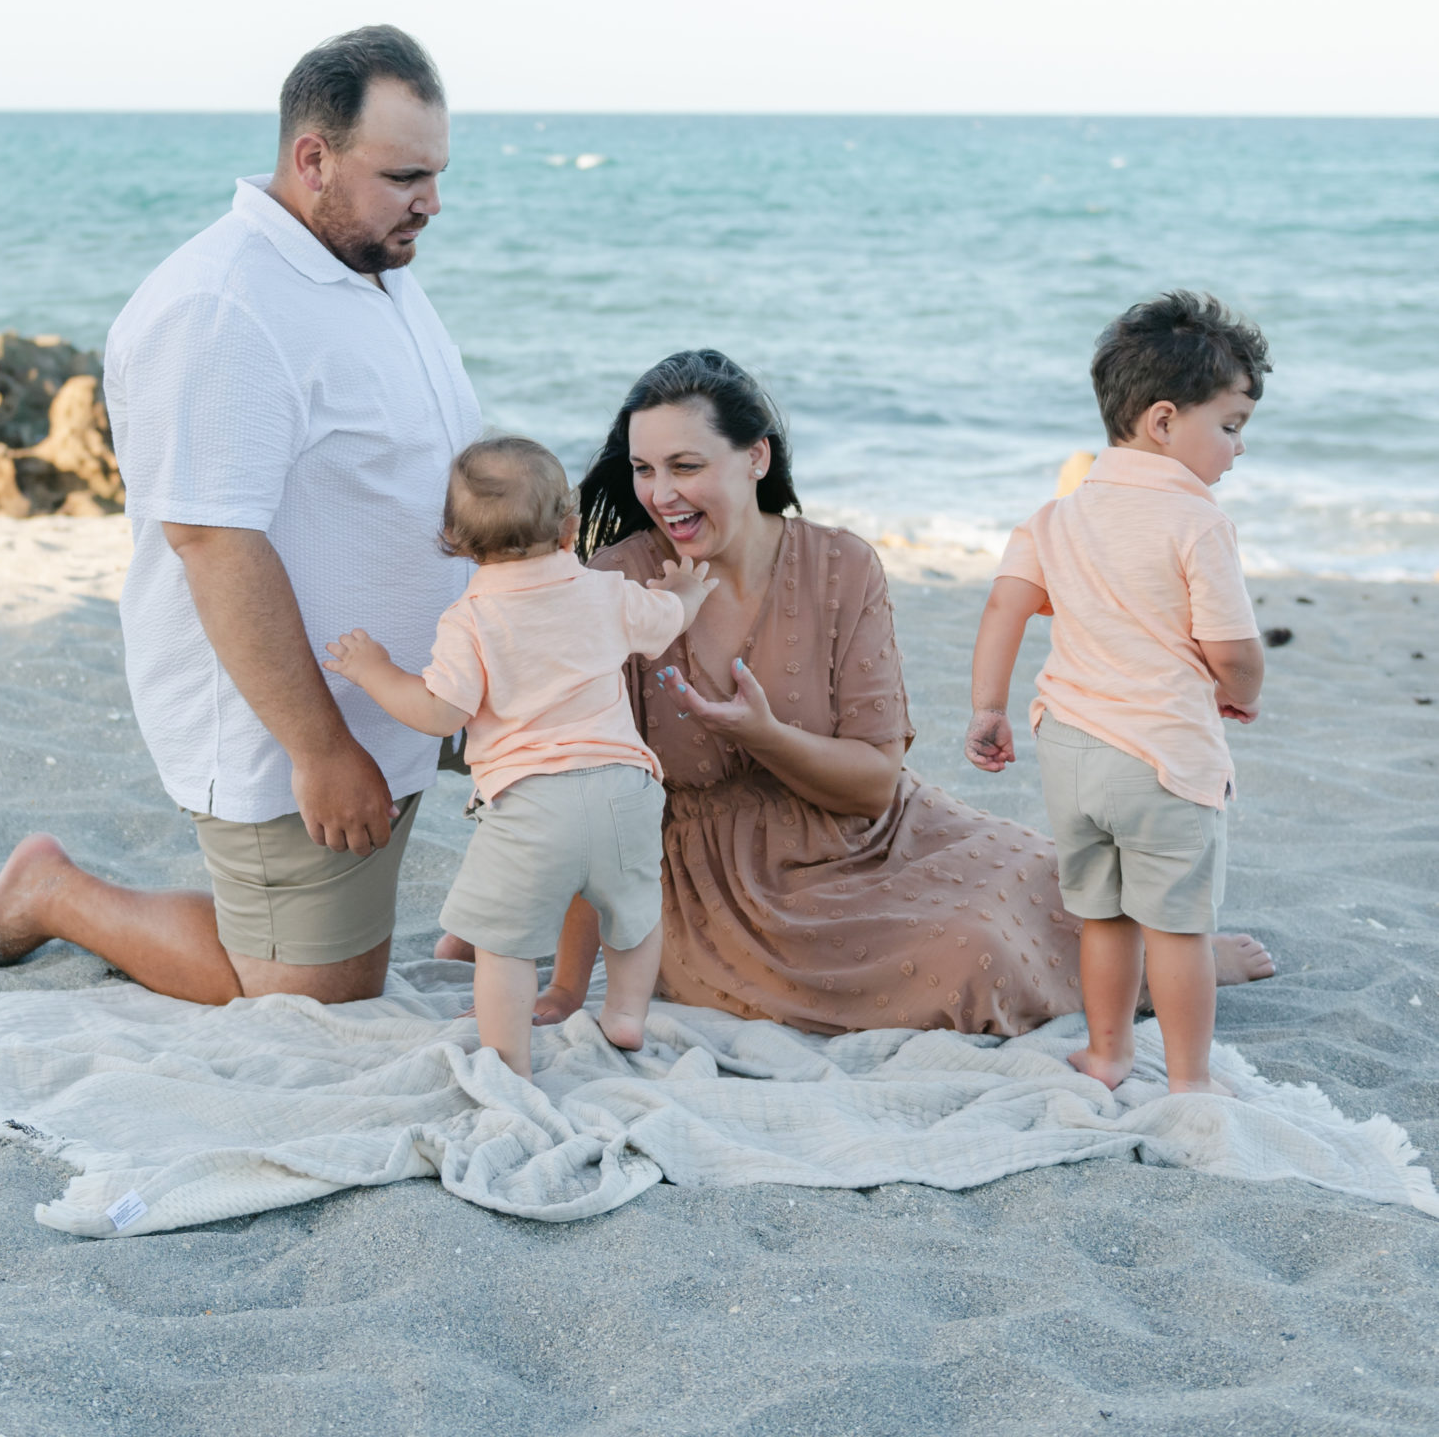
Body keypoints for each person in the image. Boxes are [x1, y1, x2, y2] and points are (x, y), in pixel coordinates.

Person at [0, 24, 480, 1005]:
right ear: (311, 159)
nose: (432, 202)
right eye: (406, 174)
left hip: (406, 697)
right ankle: (54, 892)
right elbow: (210, 543)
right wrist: (320, 750)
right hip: (295, 726)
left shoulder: (367, 262)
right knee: (303, 996)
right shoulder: (220, 308)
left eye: (437, 172)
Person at [518, 350, 1272, 1037]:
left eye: (684, 465)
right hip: (723, 892)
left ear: (755, 457)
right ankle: (1153, 973)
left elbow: (874, 784)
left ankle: (1173, 966)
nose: (660, 494)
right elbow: (590, 793)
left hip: (872, 829)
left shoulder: (839, 566)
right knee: (973, 958)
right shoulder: (614, 586)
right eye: (644, 470)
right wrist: (563, 983)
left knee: (1054, 877)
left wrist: (766, 734)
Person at [324, 434, 714, 1073]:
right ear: (570, 529)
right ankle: (624, 1015)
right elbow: (666, 621)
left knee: (504, 948)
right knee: (635, 911)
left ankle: (508, 1056)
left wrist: (373, 671)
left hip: (534, 800)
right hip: (626, 785)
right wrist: (689, 592)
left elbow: (438, 712)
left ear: (454, 539)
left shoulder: (470, 618)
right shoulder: (604, 590)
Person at [965, 292, 1269, 1093]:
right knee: (1177, 929)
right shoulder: (1197, 523)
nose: (1237, 451)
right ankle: (1189, 1081)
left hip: (1068, 748)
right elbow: (1231, 649)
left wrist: (988, 707)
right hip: (1162, 758)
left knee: (1101, 918)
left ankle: (1106, 1054)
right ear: (1163, 422)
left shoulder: (1055, 515)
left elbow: (1005, 607)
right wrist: (1240, 690)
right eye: (1230, 426)